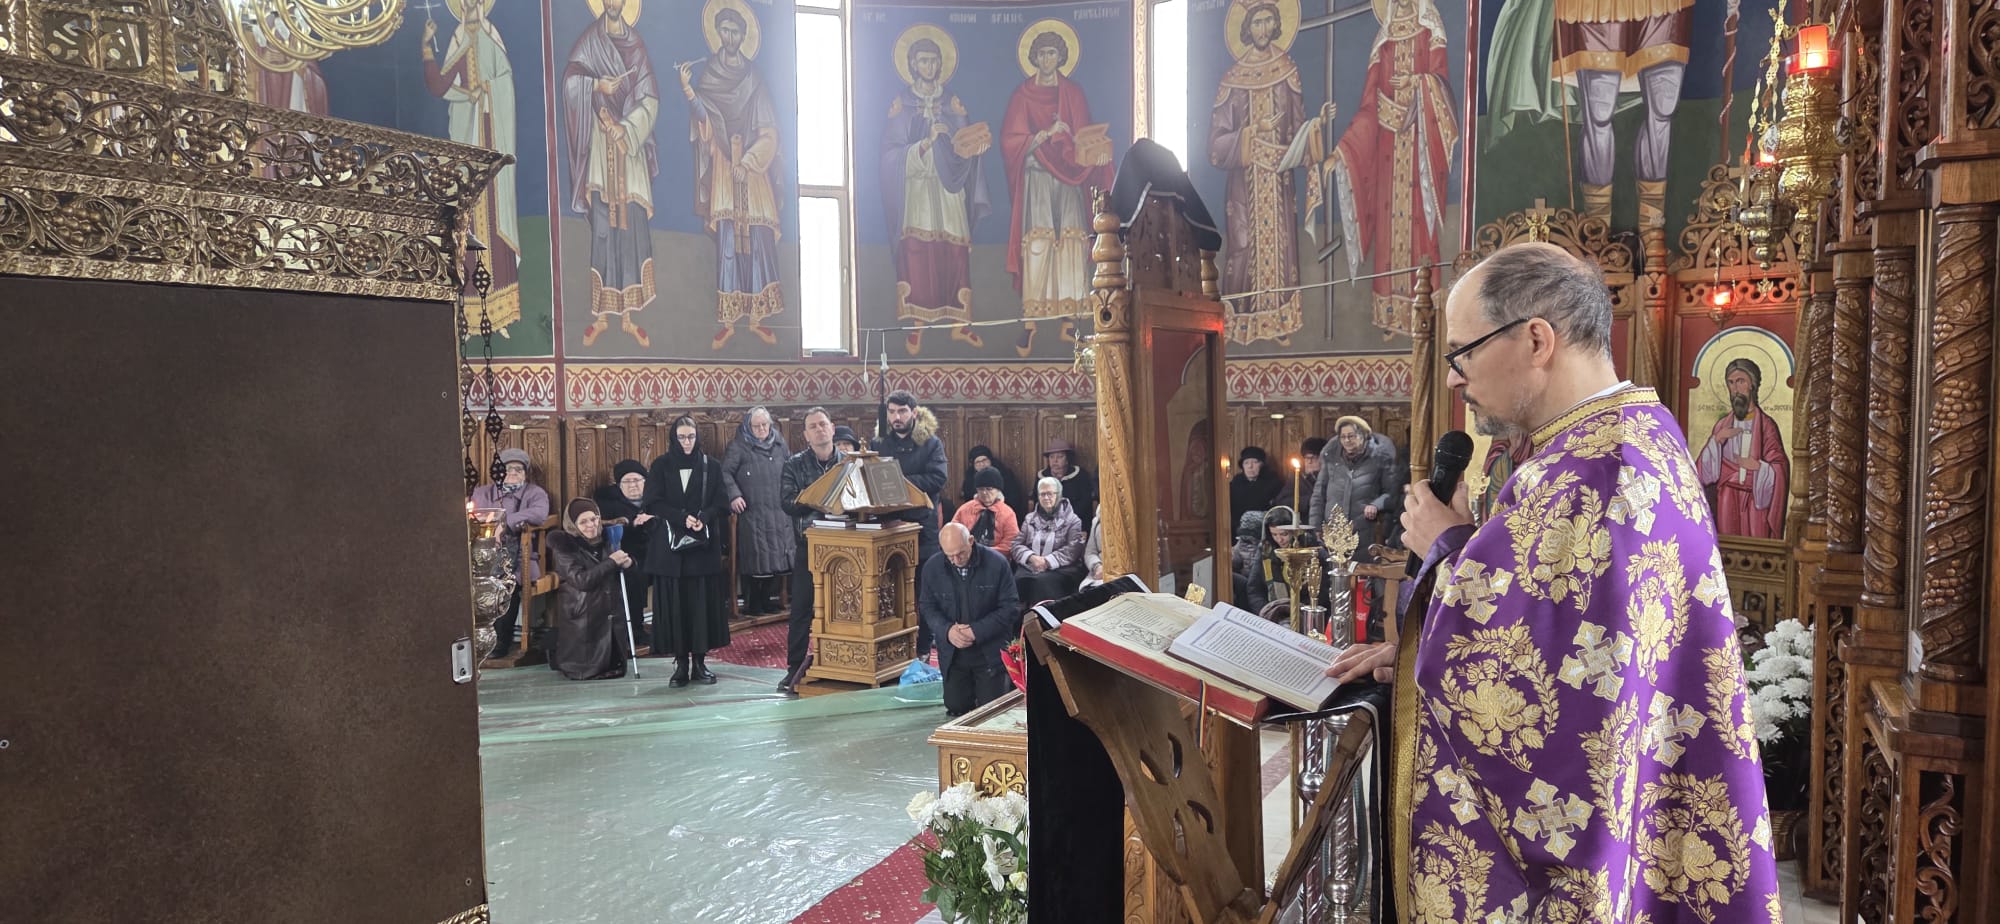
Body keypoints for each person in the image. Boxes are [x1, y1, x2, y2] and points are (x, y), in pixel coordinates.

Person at [1326, 241, 1778, 918]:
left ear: (1537, 340)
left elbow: (1551, 709)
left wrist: (1446, 545)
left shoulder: (1591, 473)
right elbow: (1568, 638)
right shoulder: (1639, 431)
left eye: (1462, 353)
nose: (1452, 379)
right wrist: (1419, 649)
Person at [1000, 26, 1112, 355]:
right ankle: (1030, 322)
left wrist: (1095, 151)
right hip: (1037, 175)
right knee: (1039, 241)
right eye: (1042, 53)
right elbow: (1010, 142)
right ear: (1034, 57)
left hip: (1069, 177)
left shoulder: (1073, 93)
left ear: (1061, 57)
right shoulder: (1022, 96)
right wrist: (1047, 134)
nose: (1047, 59)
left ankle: (1071, 320)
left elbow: (1084, 137)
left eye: (1053, 53)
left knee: (1071, 240)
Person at [1208, 0, 1312, 344]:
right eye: (1256, 22)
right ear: (1246, 28)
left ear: (1277, 24)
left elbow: (1299, 127)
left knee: (1282, 248)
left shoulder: (1287, 69)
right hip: (1244, 182)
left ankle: (1279, 322)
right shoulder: (1232, 78)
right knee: (1242, 247)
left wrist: (1312, 138)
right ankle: (1244, 324)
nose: (1263, 29)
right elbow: (1215, 145)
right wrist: (1253, 132)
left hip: (1279, 180)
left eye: (1268, 21)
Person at [882, 27, 991, 355]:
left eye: (933, 61)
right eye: (922, 61)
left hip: (949, 188)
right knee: (917, 250)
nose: (928, 66)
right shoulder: (901, 105)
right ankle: (917, 325)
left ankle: (960, 323)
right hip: (917, 188)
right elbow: (889, 155)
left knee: (954, 249)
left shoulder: (952, 103)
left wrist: (971, 144)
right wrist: (926, 143)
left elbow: (966, 146)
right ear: (913, 64)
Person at [680, 5, 784, 349]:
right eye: (723, 30)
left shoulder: (756, 80)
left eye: (735, 31)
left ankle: (756, 318)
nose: (729, 37)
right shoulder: (709, 76)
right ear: (717, 34)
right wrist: (690, 92)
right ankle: (728, 320)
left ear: (743, 36)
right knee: (728, 238)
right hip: (725, 167)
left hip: (752, 171)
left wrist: (750, 161)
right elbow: (706, 121)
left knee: (759, 238)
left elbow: (770, 132)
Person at [561, 0, 659, 347]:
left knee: (631, 228)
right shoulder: (590, 41)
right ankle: (602, 316)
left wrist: (627, 128)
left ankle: (629, 317)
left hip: (628, 147)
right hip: (601, 146)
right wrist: (596, 86)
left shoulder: (637, 46)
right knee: (603, 227)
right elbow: (570, 83)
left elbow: (650, 99)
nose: (614, 2)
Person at [424, 0, 521, 338]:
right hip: (467, 142)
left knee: (495, 221)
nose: (469, 6)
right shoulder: (457, 39)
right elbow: (439, 87)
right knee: (466, 226)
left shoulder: (493, 36)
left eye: (474, 1)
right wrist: (426, 47)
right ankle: (467, 316)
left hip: (493, 141)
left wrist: (488, 90)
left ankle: (501, 314)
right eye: (464, 2)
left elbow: (505, 81)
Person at [643, 416, 730, 687]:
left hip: (702, 549)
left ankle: (700, 664)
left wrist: (704, 517)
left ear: (697, 437)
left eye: (690, 436)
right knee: (675, 607)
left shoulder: (711, 466)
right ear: (673, 438)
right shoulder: (661, 465)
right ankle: (680, 665)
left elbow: (722, 503)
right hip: (671, 550)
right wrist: (682, 518)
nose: (686, 442)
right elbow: (652, 503)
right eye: (681, 437)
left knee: (701, 607)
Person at [873, 390, 949, 657]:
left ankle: (923, 647)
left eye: (902, 411)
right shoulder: (880, 442)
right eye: (892, 412)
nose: (897, 417)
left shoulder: (931, 443)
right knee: (888, 590)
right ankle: (892, 645)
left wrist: (898, 481)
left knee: (924, 591)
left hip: (922, 527)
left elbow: (938, 478)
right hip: (888, 525)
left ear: (914, 413)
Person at [921, 523, 1023, 716]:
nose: (956, 560)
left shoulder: (997, 563)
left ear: (971, 541)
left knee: (992, 710)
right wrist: (947, 631)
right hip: (953, 652)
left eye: (960, 553)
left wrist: (976, 631)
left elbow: (1010, 608)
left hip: (989, 651)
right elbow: (927, 607)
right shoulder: (933, 567)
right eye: (949, 556)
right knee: (956, 706)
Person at [777, 407, 845, 694]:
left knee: (842, 608)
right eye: (813, 427)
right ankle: (794, 668)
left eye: (823, 424)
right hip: (810, 545)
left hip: (846, 546)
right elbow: (787, 503)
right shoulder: (794, 464)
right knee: (802, 610)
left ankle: (842, 662)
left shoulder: (848, 463)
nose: (819, 430)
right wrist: (819, 499)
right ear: (805, 435)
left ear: (832, 428)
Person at [1696, 357, 1790, 538]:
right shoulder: (1722, 426)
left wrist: (1759, 467)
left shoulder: (1766, 426)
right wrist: (1716, 441)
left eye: (1741, 381)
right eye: (1731, 383)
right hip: (1727, 499)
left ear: (1752, 385)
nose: (1735, 389)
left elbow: (1780, 467)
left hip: (1755, 501)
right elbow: (1702, 473)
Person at [545, 499, 635, 680]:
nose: (591, 525)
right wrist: (611, 562)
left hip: (609, 608)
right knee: (587, 665)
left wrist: (629, 563)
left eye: (594, 519)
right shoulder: (565, 547)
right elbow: (581, 581)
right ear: (573, 525)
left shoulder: (609, 538)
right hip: (583, 609)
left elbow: (621, 570)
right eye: (583, 522)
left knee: (613, 664)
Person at [472, 448, 550, 658]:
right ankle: (476, 641)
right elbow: (475, 517)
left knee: (507, 586)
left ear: (525, 473)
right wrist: (491, 531)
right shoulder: (482, 492)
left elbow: (539, 514)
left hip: (520, 558)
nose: (513, 473)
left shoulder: (535, 493)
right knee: (475, 585)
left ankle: (499, 643)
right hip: (482, 555)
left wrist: (504, 523)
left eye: (519, 469)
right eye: (507, 469)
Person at [722, 407, 793, 617]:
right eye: (756, 426)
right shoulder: (738, 447)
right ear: (748, 427)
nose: (762, 429)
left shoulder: (779, 444)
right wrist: (734, 496)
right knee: (757, 557)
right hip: (753, 512)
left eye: (765, 424)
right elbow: (724, 473)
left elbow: (790, 468)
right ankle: (753, 603)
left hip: (779, 511)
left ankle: (768, 600)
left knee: (777, 558)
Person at [592, 459, 654, 648]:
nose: (633, 485)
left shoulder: (655, 498)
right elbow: (607, 530)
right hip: (625, 552)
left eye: (637, 480)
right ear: (618, 485)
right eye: (627, 481)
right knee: (634, 573)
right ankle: (635, 630)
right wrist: (633, 524)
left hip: (653, 550)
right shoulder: (609, 504)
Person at [1309, 418, 1397, 545]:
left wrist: (1376, 505)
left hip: (1364, 532)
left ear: (1363, 436)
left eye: (1351, 436)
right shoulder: (1331, 459)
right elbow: (1318, 495)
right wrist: (1315, 527)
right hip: (1332, 532)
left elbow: (1392, 492)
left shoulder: (1379, 459)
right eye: (1343, 437)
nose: (1347, 440)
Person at [1012, 477, 1086, 605]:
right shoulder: (1030, 518)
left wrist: (1047, 561)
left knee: (1041, 582)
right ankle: (1021, 617)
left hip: (1061, 569)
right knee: (1018, 580)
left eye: (1050, 494)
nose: (1046, 498)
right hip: (1031, 566)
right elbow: (1016, 545)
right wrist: (1031, 557)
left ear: (1059, 495)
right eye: (1042, 494)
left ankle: (1043, 617)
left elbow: (1073, 549)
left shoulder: (1073, 520)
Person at [952, 468, 1020, 556]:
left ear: (998, 490)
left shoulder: (1008, 513)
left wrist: (984, 553)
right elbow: (953, 533)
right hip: (966, 556)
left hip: (996, 557)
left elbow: (1011, 542)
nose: (984, 492)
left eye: (989, 489)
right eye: (981, 489)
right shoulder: (964, 509)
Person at [1038, 438, 1098, 534]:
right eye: (1051, 457)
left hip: (1075, 522)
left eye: (1060, 457)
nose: (1055, 461)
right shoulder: (1041, 477)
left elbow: (1085, 502)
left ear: (1067, 460)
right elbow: (1038, 503)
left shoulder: (1081, 475)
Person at [960, 444, 1030, 520]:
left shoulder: (1004, 473)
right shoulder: (970, 478)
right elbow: (969, 500)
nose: (982, 464)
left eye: (984, 460)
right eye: (978, 462)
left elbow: (1013, 496)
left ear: (990, 460)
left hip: (1003, 513)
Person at [1227, 445, 1285, 528]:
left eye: (1255, 462)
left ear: (1262, 464)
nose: (1250, 466)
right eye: (1246, 463)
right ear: (1242, 466)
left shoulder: (1273, 483)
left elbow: (1278, 510)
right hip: (1238, 528)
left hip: (1264, 528)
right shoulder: (1235, 483)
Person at [1295, 437, 1325, 509]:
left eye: (1313, 457)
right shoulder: (1297, 476)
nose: (1309, 461)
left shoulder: (1333, 478)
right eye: (1306, 458)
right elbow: (1283, 500)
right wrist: (1310, 500)